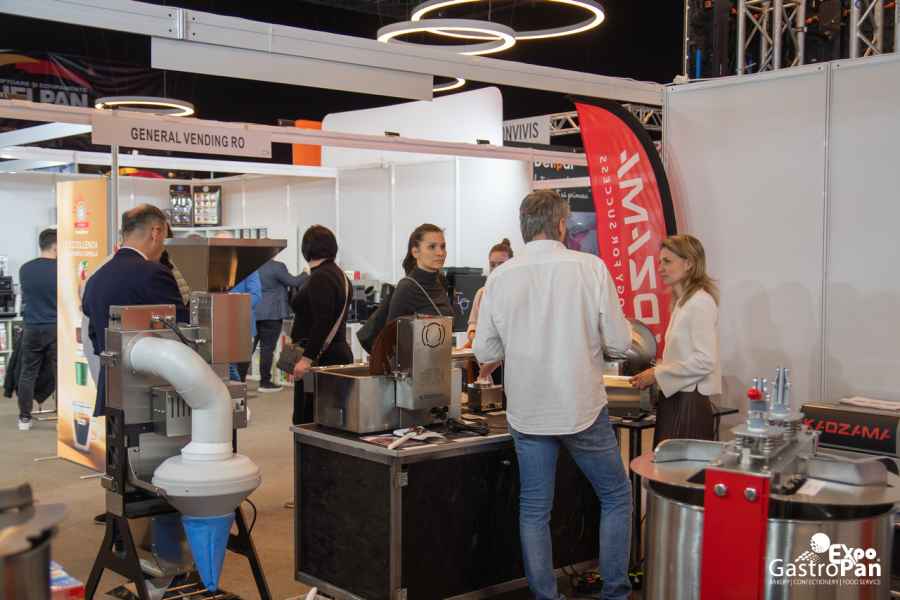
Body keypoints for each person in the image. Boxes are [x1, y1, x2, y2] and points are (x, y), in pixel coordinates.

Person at [473, 190, 633, 600]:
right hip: (582, 407)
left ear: (524, 227)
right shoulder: (591, 268)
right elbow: (619, 343)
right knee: (616, 496)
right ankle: (615, 593)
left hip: (528, 411)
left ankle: (546, 596)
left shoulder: (500, 277)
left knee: (534, 509)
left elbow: (485, 352)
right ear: (561, 225)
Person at [82, 204, 188, 418]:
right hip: (150, 392)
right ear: (156, 232)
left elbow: (94, 335)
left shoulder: (95, 278)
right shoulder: (153, 273)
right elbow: (182, 328)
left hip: (111, 389)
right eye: (165, 237)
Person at [630, 234, 721, 447]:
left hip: (688, 402)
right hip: (677, 399)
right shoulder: (683, 303)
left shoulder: (700, 302)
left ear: (689, 263)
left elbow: (706, 360)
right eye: (659, 262)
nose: (660, 268)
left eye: (667, 261)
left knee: (676, 467)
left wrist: (657, 373)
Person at [289, 226, 352, 425]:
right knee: (330, 419)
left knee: (308, 419)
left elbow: (322, 321)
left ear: (306, 249)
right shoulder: (339, 275)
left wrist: (306, 359)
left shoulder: (320, 277)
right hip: (333, 353)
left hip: (319, 358)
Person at [15, 228, 58, 430]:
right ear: (56, 246)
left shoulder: (25, 269)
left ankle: (24, 418)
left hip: (31, 327)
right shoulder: (61, 269)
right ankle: (63, 417)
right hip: (55, 327)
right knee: (60, 374)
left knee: (27, 373)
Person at [255, 259, 308, 392]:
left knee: (248, 348)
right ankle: (265, 382)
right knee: (267, 349)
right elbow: (294, 282)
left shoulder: (254, 267)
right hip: (272, 313)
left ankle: (239, 380)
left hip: (254, 311)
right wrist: (305, 273)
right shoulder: (277, 267)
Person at [386, 223, 453, 321]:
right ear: (415, 252)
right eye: (432, 247)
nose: (440, 253)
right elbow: (392, 329)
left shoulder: (440, 281)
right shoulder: (407, 288)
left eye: (442, 247)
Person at [465, 238, 514, 347]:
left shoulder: (519, 292)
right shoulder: (482, 293)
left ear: (512, 264)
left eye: (501, 264)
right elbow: (473, 324)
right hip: (486, 351)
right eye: (492, 264)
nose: (496, 269)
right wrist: (473, 336)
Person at [230, 270, 262, 383]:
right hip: (218, 328)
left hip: (241, 328)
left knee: (237, 374)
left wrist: (231, 302)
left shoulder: (250, 271)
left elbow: (256, 296)